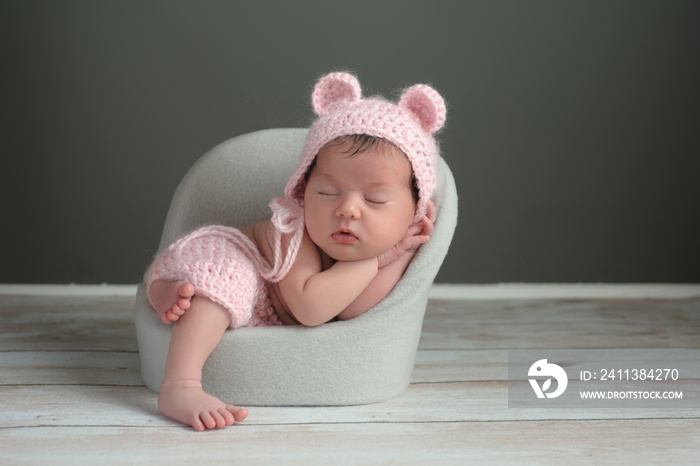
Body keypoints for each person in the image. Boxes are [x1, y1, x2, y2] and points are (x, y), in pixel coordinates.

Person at [144, 72, 447, 431]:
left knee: (213, 296)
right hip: (224, 258)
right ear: (303, 190)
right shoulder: (293, 230)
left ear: (413, 212)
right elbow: (309, 307)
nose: (347, 209)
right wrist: (379, 258)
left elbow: (353, 310)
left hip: (258, 299)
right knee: (223, 285)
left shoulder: (382, 249)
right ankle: (180, 384)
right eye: (327, 193)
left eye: (375, 199)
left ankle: (170, 293)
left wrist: (400, 254)